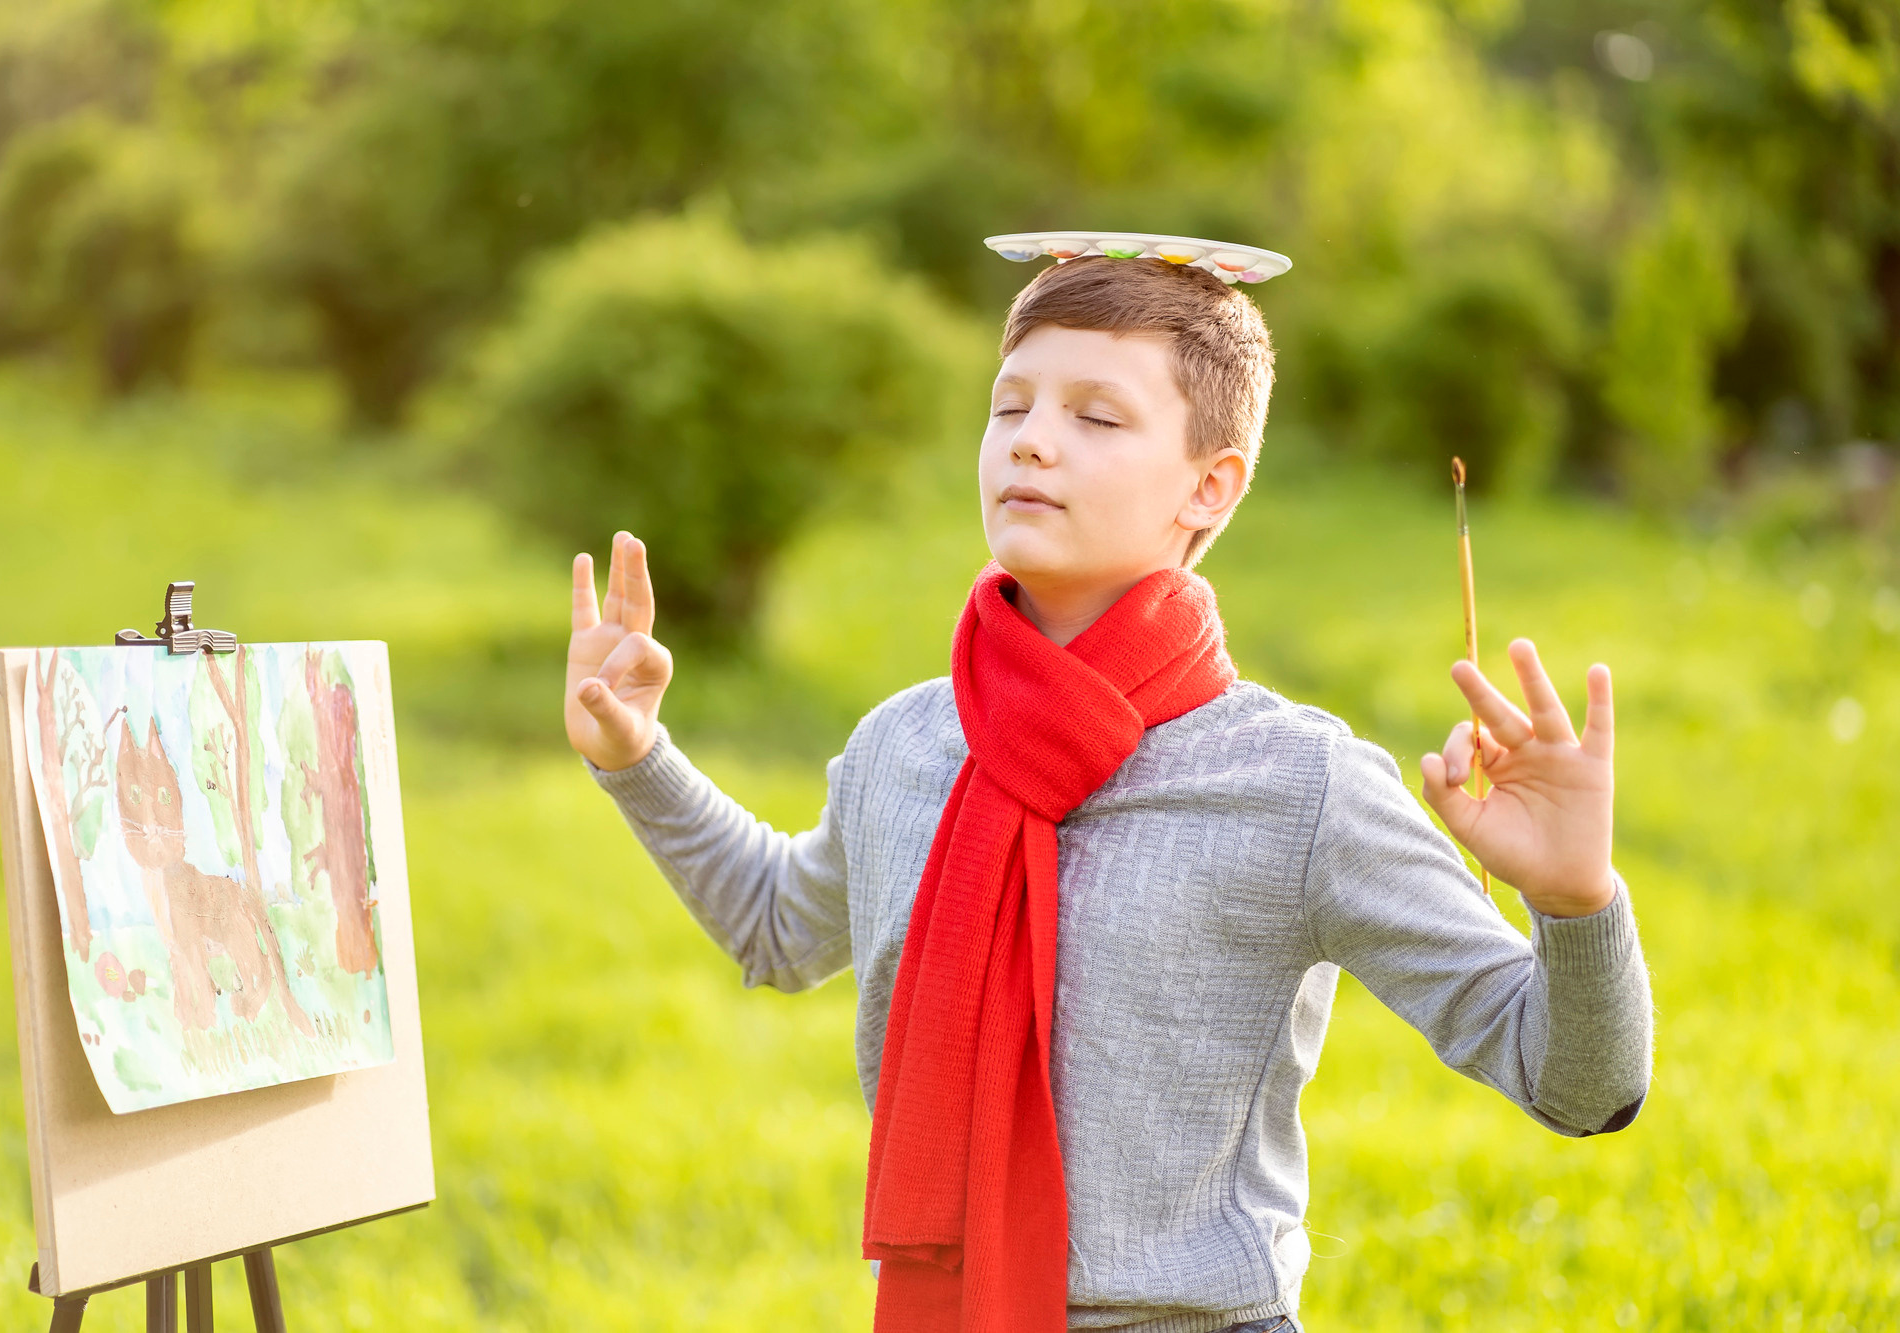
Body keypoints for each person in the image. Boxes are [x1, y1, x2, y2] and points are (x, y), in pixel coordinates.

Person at [563, 254, 1652, 1333]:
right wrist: (635, 755)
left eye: (1097, 417)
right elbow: (776, 927)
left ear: (1208, 484)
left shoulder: (1297, 786)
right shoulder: (909, 742)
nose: (1030, 439)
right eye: (1010, 405)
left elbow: (1572, 1083)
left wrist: (1572, 899)